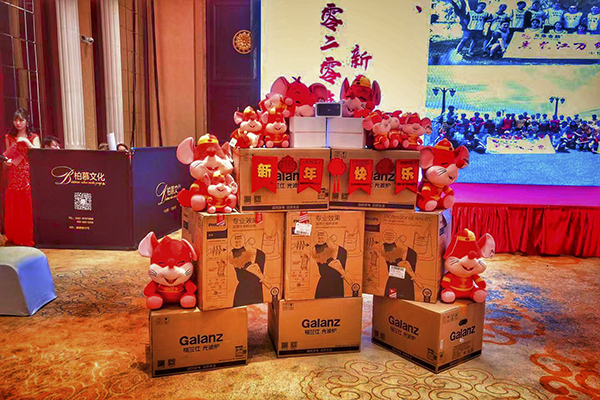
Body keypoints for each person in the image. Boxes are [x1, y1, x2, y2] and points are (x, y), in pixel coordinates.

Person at [2, 108, 40, 246]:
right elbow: (8, 155)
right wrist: (6, 162)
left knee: (26, 203)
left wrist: (26, 142)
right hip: (14, 172)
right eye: (16, 120)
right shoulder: (9, 137)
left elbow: (39, 153)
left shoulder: (34, 137)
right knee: (14, 203)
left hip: (28, 172)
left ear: (27, 121)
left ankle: (26, 235)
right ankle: (14, 235)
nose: (18, 123)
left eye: (21, 120)